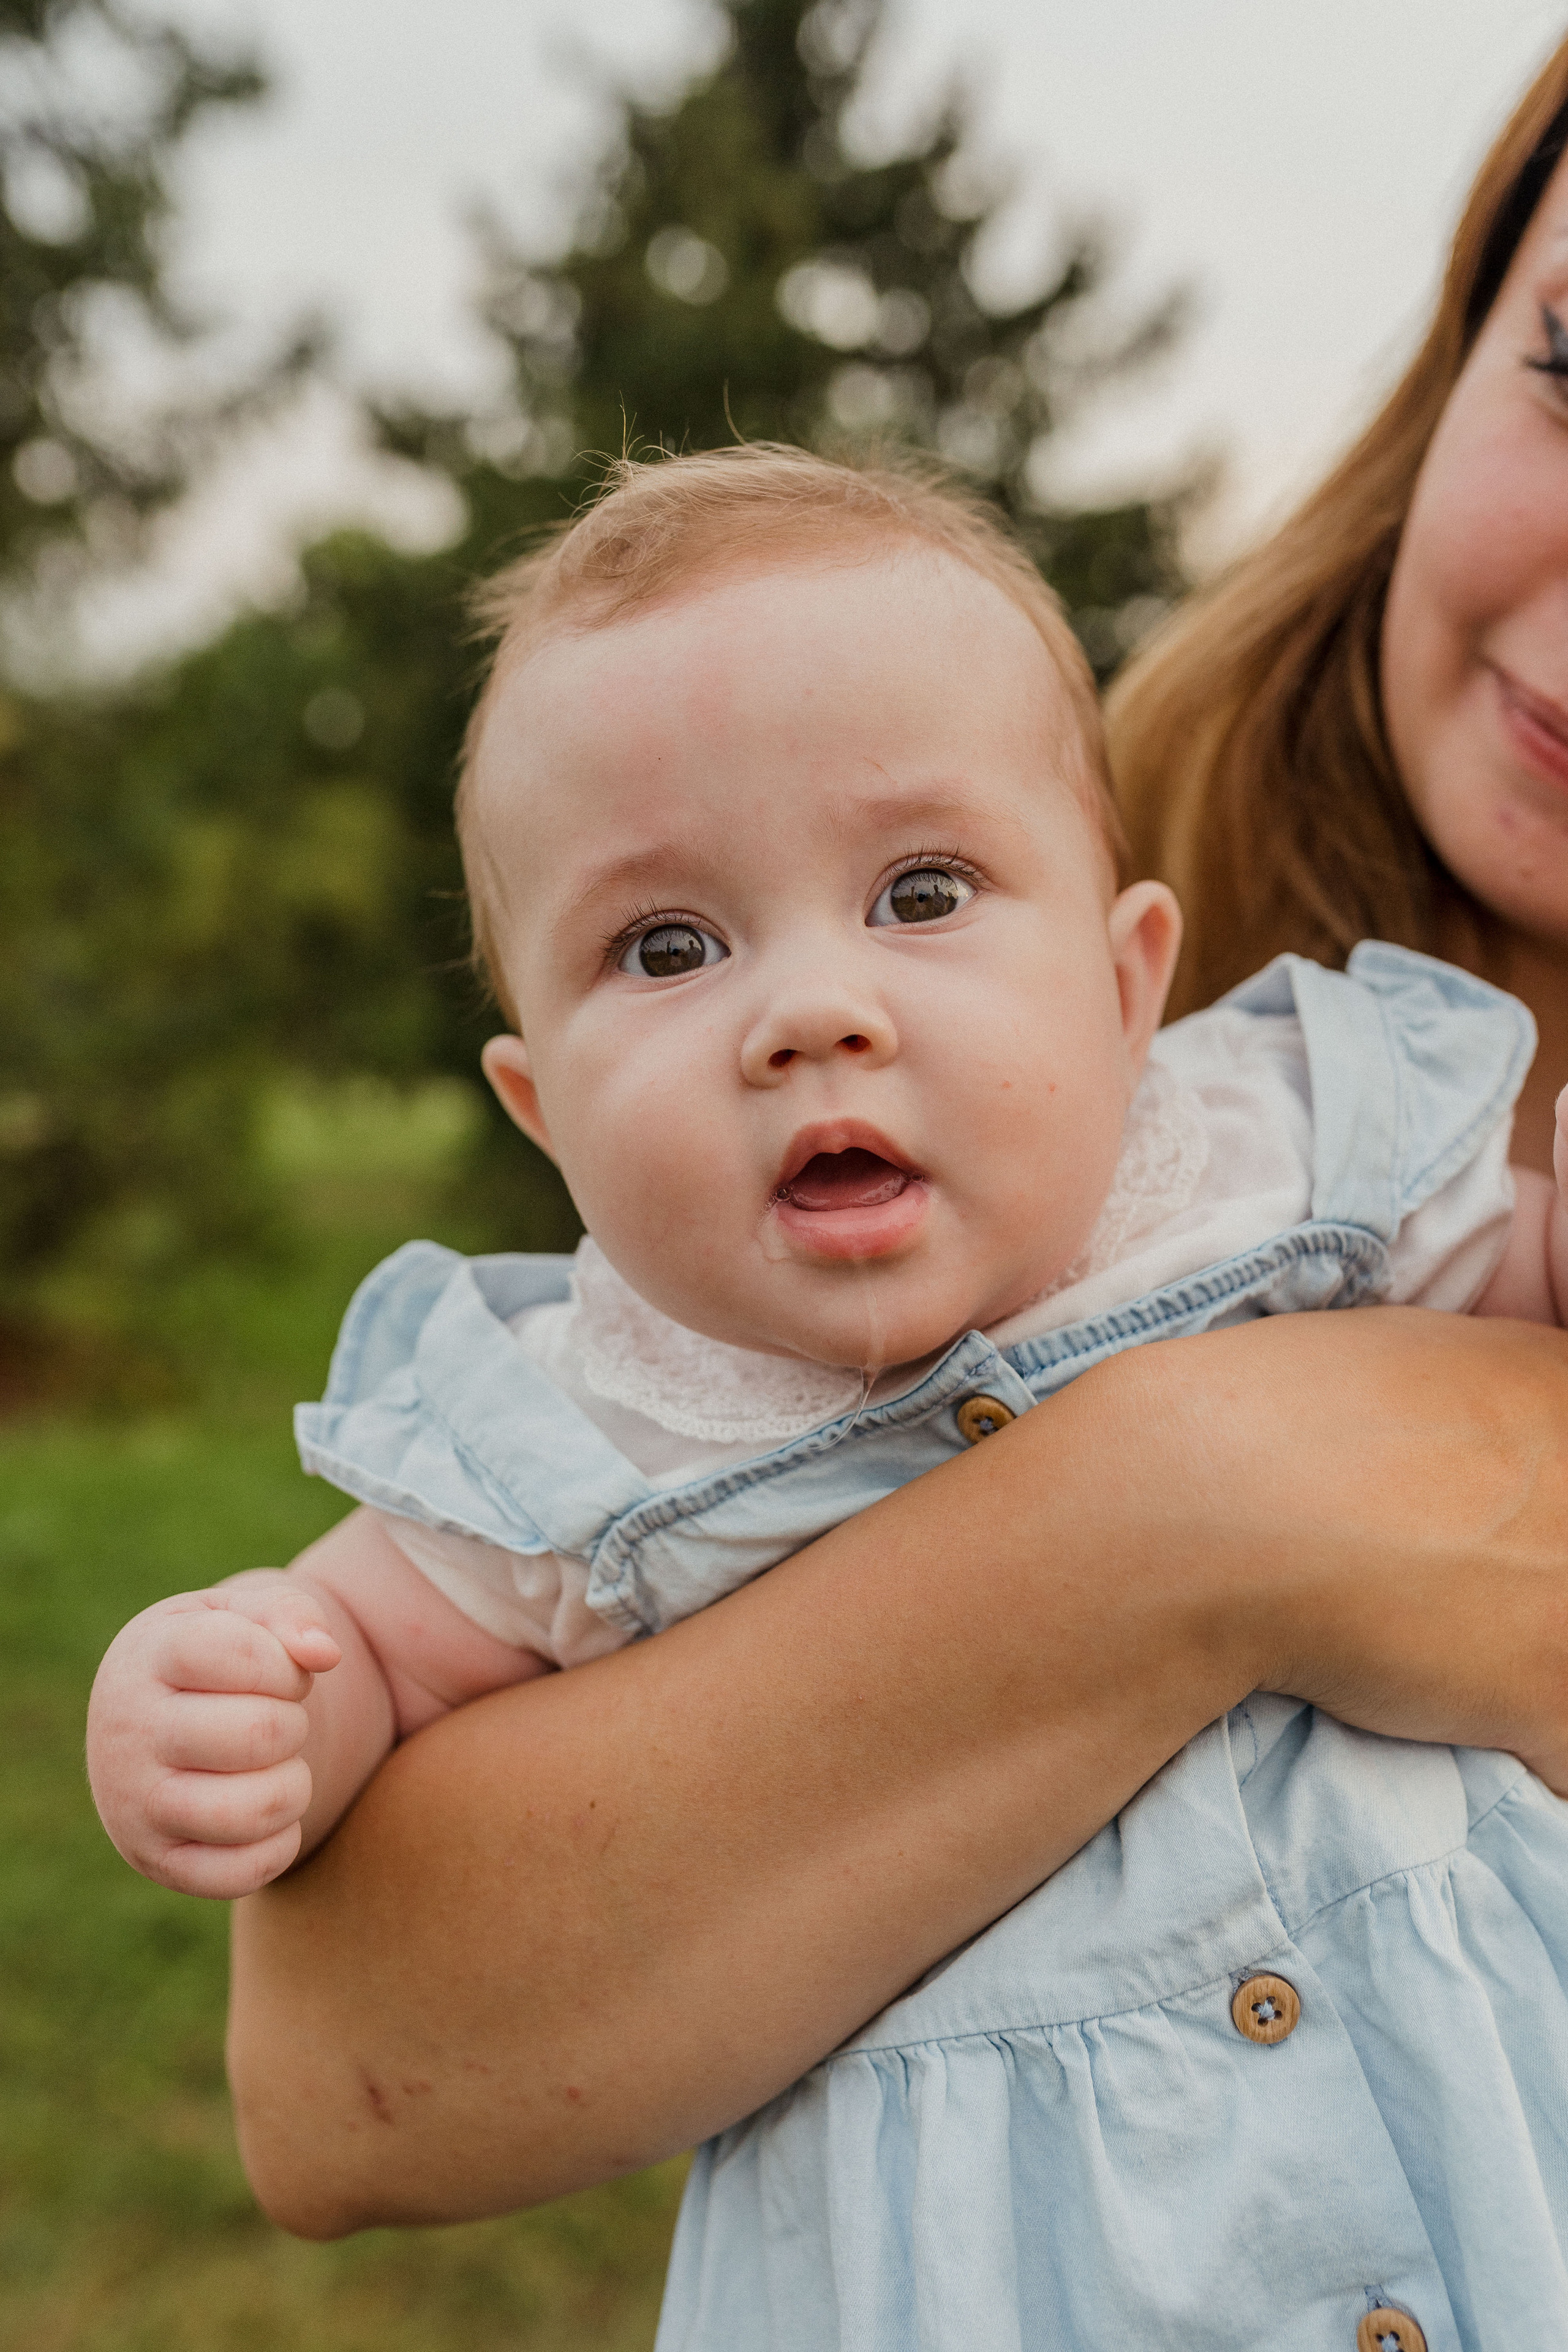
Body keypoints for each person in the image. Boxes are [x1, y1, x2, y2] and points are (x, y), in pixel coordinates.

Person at [220, 13, 1568, 2303]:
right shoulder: (1068, 931)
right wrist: (1195, 1509)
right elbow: (359, 2052)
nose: (824, 1002)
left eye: (915, 903)